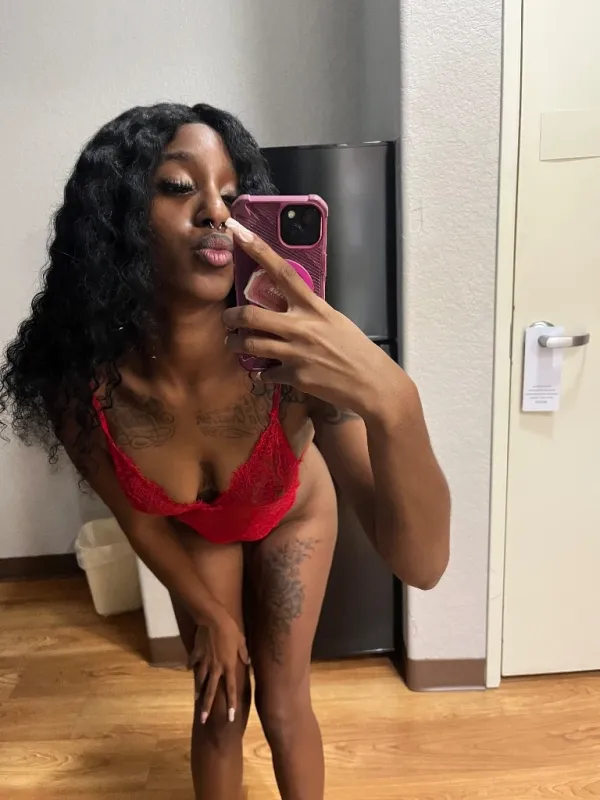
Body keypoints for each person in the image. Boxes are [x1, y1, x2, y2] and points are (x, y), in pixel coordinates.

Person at [0, 102, 450, 800]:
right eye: (180, 187)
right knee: (220, 707)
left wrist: (396, 402)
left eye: (234, 196)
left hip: (292, 513)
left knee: (284, 704)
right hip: (195, 532)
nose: (217, 211)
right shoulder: (81, 386)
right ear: (116, 217)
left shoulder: (287, 358)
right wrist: (209, 617)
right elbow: (140, 518)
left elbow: (422, 566)